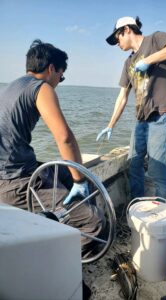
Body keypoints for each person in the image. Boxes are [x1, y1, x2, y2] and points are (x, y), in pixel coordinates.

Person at [0, 39, 104, 257]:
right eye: (61, 76)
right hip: (14, 182)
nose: (59, 81)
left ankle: (75, 214)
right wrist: (79, 180)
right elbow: (65, 137)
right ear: (51, 69)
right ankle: (69, 270)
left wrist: (78, 178)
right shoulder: (42, 87)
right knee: (94, 222)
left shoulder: (13, 86)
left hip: (11, 171)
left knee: (75, 175)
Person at [97, 16, 166, 199]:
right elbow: (122, 96)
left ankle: (163, 210)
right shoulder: (128, 63)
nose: (117, 44)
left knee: (156, 168)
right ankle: (136, 204)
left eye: (117, 38)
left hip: (161, 115)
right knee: (134, 163)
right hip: (141, 119)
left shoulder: (154, 40)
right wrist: (110, 125)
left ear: (127, 30)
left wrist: (149, 60)